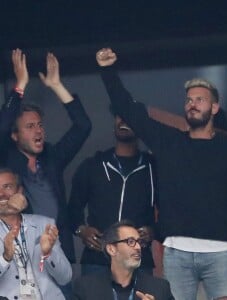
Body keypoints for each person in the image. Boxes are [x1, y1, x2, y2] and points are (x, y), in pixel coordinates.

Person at [95, 48, 227, 300]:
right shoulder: (169, 141)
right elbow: (128, 110)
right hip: (177, 253)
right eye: (189, 100)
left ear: (215, 107)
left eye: (199, 100)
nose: (192, 104)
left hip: (220, 252)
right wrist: (107, 71)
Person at [0, 49, 92, 265]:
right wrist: (20, 84)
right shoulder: (7, 157)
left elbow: (83, 126)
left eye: (40, 125)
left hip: (58, 254)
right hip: (22, 254)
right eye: (30, 127)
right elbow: (3, 126)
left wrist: (56, 85)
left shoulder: (53, 157)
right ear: (15, 135)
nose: (38, 131)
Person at [68, 108, 156, 275]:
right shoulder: (93, 165)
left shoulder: (153, 167)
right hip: (97, 261)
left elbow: (171, 210)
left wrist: (153, 231)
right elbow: (72, 208)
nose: (123, 121)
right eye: (119, 116)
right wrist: (82, 230)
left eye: (129, 117)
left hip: (138, 260)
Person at [0, 168, 72, 300]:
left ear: (20, 191)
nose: (1, 194)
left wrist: (48, 253)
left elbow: (65, 278)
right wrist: (5, 258)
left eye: (7, 187)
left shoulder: (44, 224)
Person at [72, 220, 174, 300]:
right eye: (131, 241)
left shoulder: (159, 288)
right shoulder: (85, 288)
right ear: (111, 249)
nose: (138, 247)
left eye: (139, 242)